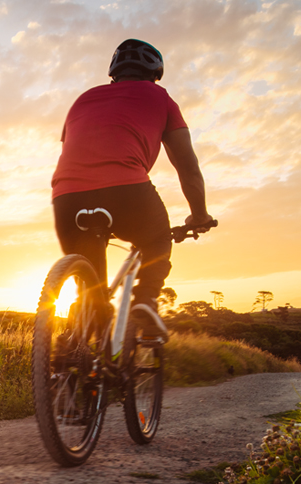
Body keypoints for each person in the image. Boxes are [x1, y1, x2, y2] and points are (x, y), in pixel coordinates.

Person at [51, 38, 213, 340]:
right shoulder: (161, 98)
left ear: (114, 72)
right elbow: (187, 167)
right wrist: (199, 215)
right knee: (158, 239)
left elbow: (71, 150)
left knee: (92, 295)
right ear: (155, 73)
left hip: (67, 198)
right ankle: (145, 301)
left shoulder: (82, 100)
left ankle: (77, 350)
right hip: (126, 190)